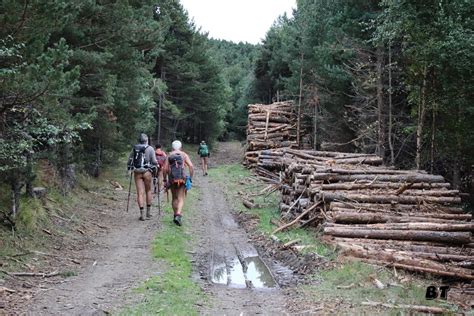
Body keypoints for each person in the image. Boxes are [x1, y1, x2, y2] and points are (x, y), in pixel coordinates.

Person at [127, 133, 157, 221]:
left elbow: (130, 160)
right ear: (147, 140)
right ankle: (148, 213)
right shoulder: (150, 148)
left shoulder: (135, 148)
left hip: (137, 172)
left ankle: (142, 214)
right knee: (148, 191)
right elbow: (154, 161)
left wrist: (129, 168)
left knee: (140, 193)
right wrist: (156, 165)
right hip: (147, 172)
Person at [164, 140, 194, 226]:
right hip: (182, 178)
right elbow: (191, 166)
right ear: (181, 147)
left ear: (172, 147)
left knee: (174, 197)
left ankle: (175, 216)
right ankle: (178, 214)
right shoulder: (184, 155)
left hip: (172, 178)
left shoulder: (169, 155)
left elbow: (165, 168)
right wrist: (190, 178)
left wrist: (165, 180)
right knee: (181, 198)